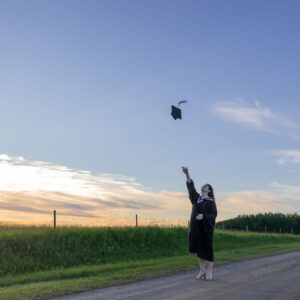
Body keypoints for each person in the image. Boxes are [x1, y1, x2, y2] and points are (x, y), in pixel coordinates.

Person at [182, 166, 217, 280]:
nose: (204, 186)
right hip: (197, 228)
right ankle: (202, 271)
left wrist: (204, 216)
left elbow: (213, 215)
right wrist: (187, 174)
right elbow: (191, 189)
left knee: (208, 248)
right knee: (200, 249)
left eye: (206, 186)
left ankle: (210, 272)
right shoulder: (197, 199)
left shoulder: (211, 202)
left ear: (209, 190)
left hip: (206, 229)